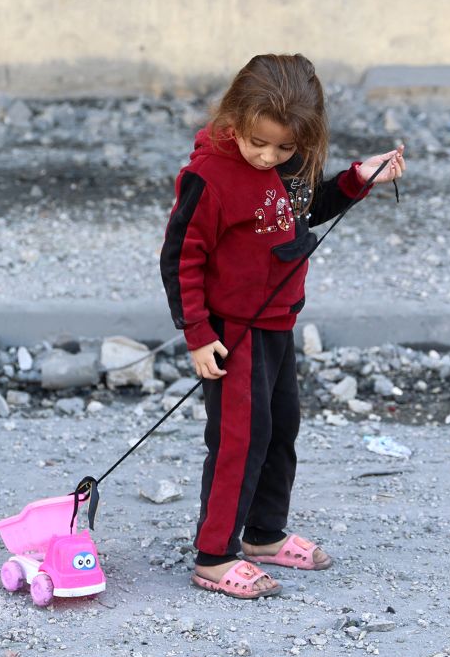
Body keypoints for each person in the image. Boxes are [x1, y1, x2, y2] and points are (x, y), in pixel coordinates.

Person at [159, 54, 405, 599]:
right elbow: (181, 258)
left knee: (280, 429)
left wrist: (358, 179)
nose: (270, 156)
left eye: (285, 148)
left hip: (276, 319)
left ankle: (264, 536)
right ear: (235, 119)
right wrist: (197, 334)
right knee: (239, 440)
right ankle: (215, 555)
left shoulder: (288, 162)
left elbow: (302, 208)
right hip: (231, 331)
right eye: (258, 143)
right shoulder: (209, 176)